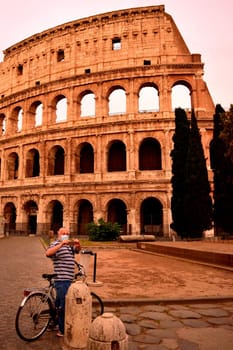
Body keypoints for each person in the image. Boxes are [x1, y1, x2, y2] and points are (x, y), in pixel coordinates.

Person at [46, 227, 81, 337]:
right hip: (62, 279)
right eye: (63, 233)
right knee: (63, 305)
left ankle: (54, 322)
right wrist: (61, 244)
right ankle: (61, 330)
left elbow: (77, 250)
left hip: (68, 279)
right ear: (58, 234)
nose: (65, 235)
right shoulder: (55, 243)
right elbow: (48, 253)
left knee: (58, 303)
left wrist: (78, 244)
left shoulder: (69, 246)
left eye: (67, 233)